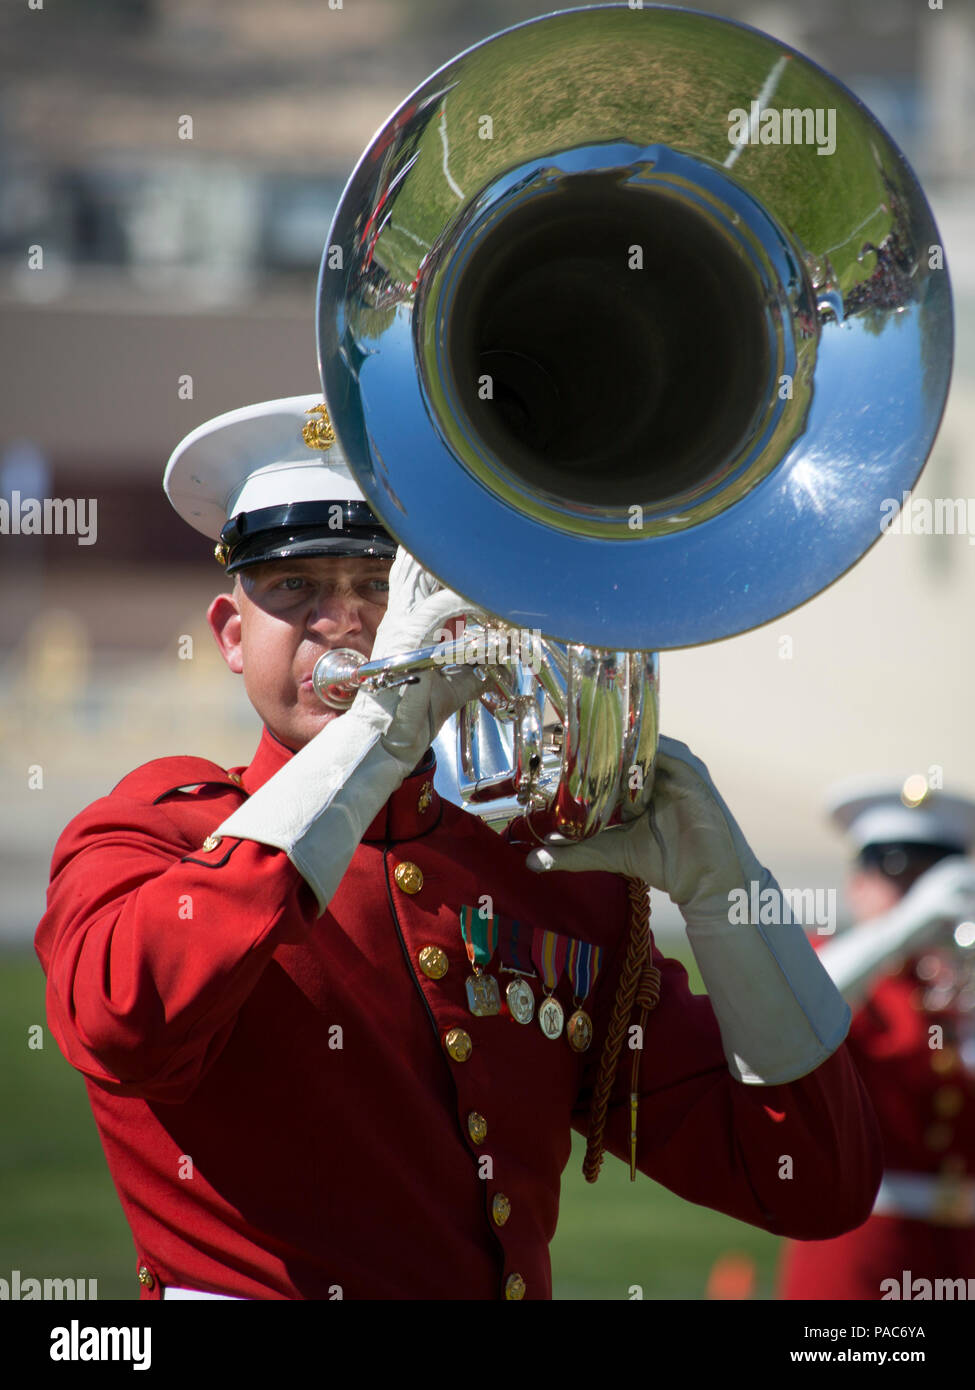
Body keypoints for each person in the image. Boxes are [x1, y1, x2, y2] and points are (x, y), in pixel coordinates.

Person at [36, 394, 881, 1301]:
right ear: (232, 637)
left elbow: (810, 1177)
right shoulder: (156, 834)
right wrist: (381, 732)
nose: (344, 621)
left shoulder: (541, 875)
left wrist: (725, 894)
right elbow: (124, 1024)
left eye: (379, 586)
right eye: (296, 588)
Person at [778, 779, 975, 1300]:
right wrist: (914, 921)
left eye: (934, 879)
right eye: (900, 879)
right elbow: (798, 1004)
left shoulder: (960, 976)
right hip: (860, 1245)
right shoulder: (839, 966)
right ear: (857, 885)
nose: (921, 897)